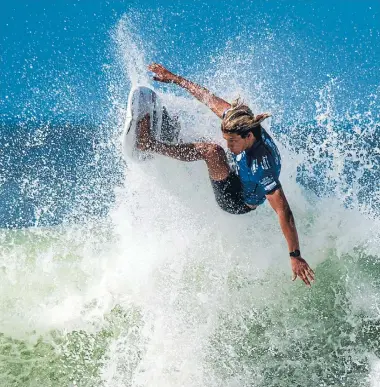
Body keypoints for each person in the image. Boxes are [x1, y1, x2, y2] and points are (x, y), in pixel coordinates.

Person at [136, 63, 315, 287]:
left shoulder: (262, 167)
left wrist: (295, 255)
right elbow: (207, 98)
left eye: (233, 141)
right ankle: (170, 131)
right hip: (241, 173)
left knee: (212, 151)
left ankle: (149, 144)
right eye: (226, 138)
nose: (229, 144)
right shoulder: (241, 122)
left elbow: (284, 211)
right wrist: (174, 78)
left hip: (237, 199)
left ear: (248, 136)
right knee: (210, 138)